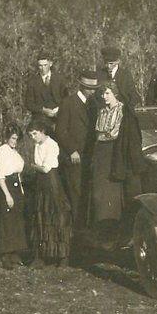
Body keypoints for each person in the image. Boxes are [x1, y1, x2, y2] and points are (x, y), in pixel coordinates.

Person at [90, 81, 145, 245]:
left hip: (116, 154)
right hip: (101, 155)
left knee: (114, 194)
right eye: (102, 93)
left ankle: (117, 233)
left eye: (107, 93)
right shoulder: (101, 111)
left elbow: (115, 135)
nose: (104, 96)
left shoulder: (123, 111)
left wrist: (105, 136)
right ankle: (104, 232)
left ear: (115, 93)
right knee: (100, 194)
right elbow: (99, 134)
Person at [26, 118, 73, 267]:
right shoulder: (37, 145)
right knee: (41, 215)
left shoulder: (52, 144)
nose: (33, 137)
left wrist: (33, 166)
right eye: (31, 135)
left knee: (55, 215)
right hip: (41, 182)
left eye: (34, 134)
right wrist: (36, 166)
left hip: (51, 182)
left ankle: (62, 256)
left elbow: (45, 168)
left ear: (42, 131)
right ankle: (42, 256)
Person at [56, 70, 98, 225]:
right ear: (81, 86)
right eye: (89, 88)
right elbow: (60, 131)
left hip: (90, 156)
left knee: (88, 192)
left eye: (94, 88)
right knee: (76, 193)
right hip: (74, 157)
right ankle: (77, 229)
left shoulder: (94, 104)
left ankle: (87, 227)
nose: (92, 91)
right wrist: (72, 150)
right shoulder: (68, 103)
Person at [0, 124, 29, 269]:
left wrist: (20, 190)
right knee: (7, 221)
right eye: (13, 138)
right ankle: (5, 255)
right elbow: (0, 176)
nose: (15, 141)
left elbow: (18, 173)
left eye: (17, 138)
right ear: (7, 137)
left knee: (16, 220)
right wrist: (7, 195)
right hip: (6, 187)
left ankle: (14, 252)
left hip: (16, 186)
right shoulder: (2, 152)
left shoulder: (14, 152)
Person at [23, 52, 67, 130]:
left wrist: (58, 110)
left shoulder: (60, 79)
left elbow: (66, 99)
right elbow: (29, 103)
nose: (43, 68)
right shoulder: (32, 82)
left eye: (45, 65)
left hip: (59, 117)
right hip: (40, 119)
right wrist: (43, 110)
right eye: (40, 65)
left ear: (50, 64)